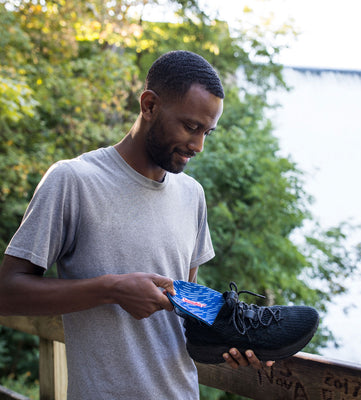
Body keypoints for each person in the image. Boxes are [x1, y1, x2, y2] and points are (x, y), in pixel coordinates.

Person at [0, 50, 273, 400]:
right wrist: (111, 289)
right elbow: (7, 292)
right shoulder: (74, 180)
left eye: (208, 132)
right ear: (149, 106)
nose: (199, 145)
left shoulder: (193, 195)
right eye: (191, 127)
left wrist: (228, 343)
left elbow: (180, 311)